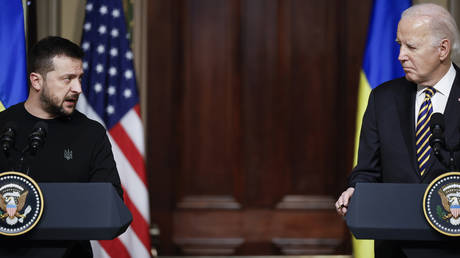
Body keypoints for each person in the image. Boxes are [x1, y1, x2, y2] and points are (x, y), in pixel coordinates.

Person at [336, 3, 460, 257]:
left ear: (443, 49)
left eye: (411, 47)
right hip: (395, 248)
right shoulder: (383, 99)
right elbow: (367, 171)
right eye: (399, 44)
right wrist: (356, 191)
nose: (401, 55)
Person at [0, 36, 123, 257]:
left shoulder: (91, 133)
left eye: (80, 78)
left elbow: (109, 202)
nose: (77, 88)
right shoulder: (3, 126)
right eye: (67, 79)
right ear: (36, 81)